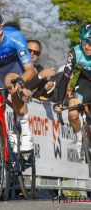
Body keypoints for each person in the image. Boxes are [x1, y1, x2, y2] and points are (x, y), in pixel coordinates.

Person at [0, 9, 36, 152]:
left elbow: (31, 70)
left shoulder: (15, 37)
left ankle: (26, 131)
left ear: (0, 29)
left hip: (15, 65)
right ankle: (2, 150)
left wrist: (21, 80)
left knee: (11, 82)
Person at [53, 24, 91, 159]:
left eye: (90, 42)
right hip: (85, 81)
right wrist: (59, 101)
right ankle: (80, 138)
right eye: (84, 42)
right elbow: (65, 78)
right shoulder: (75, 52)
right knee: (73, 113)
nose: (87, 46)